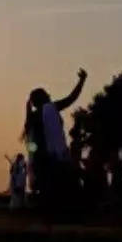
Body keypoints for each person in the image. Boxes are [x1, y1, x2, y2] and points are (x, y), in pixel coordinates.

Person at [23, 69, 87, 215]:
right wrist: (82, 80)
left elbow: (30, 142)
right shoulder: (51, 108)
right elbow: (72, 98)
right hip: (55, 157)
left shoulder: (32, 117)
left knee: (50, 190)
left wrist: (34, 158)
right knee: (62, 187)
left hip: (42, 158)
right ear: (44, 97)